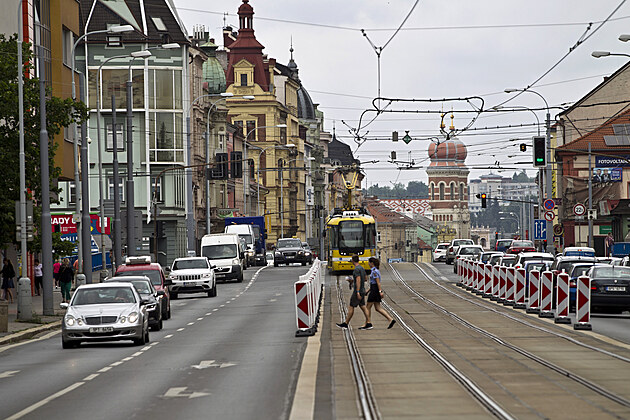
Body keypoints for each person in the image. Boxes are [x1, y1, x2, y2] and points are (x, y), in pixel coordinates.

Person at [336, 255, 370, 329]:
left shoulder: (356, 270)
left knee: (351, 306)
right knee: (363, 307)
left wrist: (357, 292)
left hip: (358, 291)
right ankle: (369, 322)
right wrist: (352, 281)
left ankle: (346, 323)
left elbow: (358, 280)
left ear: (353, 260)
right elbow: (365, 279)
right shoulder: (362, 268)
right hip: (362, 289)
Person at [365, 257, 396, 329]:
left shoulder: (374, 271)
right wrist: (368, 290)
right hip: (373, 289)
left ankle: (368, 323)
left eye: (369, 262)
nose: (368, 264)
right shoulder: (375, 271)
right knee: (377, 308)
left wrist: (380, 291)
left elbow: (378, 283)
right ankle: (390, 319)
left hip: (375, 291)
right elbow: (373, 283)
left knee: (367, 307)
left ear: (372, 263)